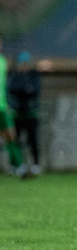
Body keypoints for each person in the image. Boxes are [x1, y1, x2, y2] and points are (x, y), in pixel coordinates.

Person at [8, 50, 41, 175]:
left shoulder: (33, 76)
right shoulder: (14, 76)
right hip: (17, 113)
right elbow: (12, 89)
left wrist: (23, 90)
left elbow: (34, 91)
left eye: (26, 64)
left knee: (33, 140)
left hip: (31, 113)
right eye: (22, 64)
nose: (24, 66)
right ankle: (16, 164)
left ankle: (35, 164)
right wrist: (25, 90)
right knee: (15, 140)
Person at [0, 32, 25, 176]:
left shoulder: (3, 61)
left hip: (2, 107)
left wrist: (8, 103)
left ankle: (17, 166)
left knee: (10, 136)